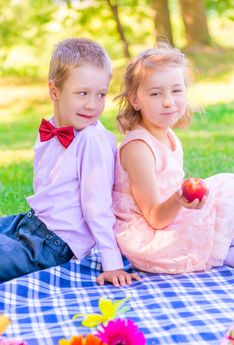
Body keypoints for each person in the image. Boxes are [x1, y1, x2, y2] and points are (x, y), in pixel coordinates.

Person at [0, 38, 140, 286]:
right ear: (54, 91)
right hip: (30, 223)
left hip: (52, 245)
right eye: (82, 93)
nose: (92, 104)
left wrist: (112, 263)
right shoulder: (52, 128)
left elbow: (98, 207)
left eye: (101, 95)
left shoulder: (92, 140)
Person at [113, 42, 234, 274]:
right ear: (135, 100)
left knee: (222, 197)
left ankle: (223, 251)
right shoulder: (138, 148)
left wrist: (184, 201)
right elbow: (154, 218)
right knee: (227, 186)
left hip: (171, 219)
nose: (168, 101)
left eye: (176, 90)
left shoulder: (168, 135)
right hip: (152, 240)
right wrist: (179, 200)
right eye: (156, 93)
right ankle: (220, 250)